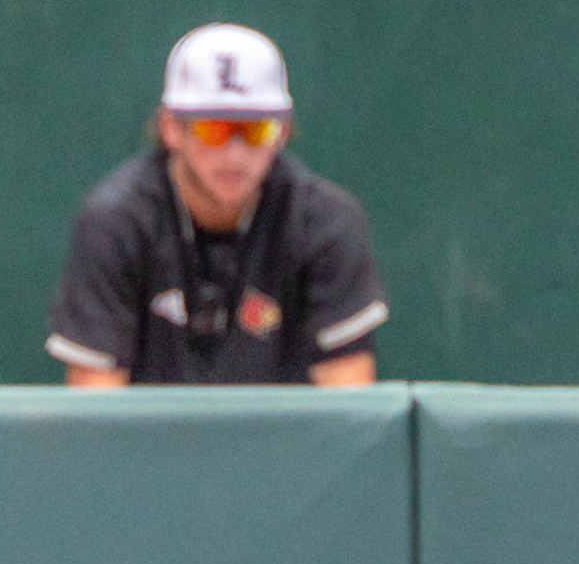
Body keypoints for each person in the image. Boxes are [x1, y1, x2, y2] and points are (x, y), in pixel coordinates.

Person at [47, 23, 388, 386]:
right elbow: (96, 403)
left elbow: (347, 401)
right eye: (214, 130)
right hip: (152, 427)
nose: (234, 154)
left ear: (283, 133)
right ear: (171, 129)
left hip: (283, 427)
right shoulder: (114, 222)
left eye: (256, 130)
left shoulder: (324, 221)